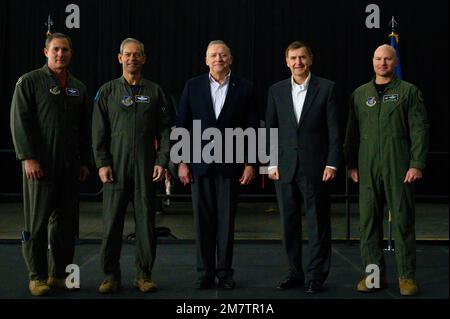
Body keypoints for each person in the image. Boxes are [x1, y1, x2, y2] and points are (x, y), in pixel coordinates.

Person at [344, 44, 429, 296]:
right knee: (369, 224)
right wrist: (350, 163)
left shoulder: (408, 92)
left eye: (388, 59)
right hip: (367, 166)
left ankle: (406, 277)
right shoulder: (360, 94)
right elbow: (352, 132)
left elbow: (419, 129)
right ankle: (373, 277)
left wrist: (416, 163)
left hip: (399, 165)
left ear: (395, 62)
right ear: (372, 61)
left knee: (402, 221)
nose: (383, 63)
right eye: (378, 59)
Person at [10, 32, 91, 296]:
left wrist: (83, 161)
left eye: (65, 50)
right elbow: (19, 121)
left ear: (71, 53)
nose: (60, 54)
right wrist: (28, 157)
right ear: (46, 52)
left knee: (66, 224)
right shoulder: (29, 82)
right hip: (40, 166)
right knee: (37, 223)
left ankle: (59, 274)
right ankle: (37, 276)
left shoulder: (78, 87)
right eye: (55, 49)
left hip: (69, 166)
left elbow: (83, 130)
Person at [177, 40, 258, 289]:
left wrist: (251, 164)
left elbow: (253, 127)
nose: (218, 59)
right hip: (199, 165)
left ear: (230, 59)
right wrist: (181, 162)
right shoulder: (193, 86)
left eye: (223, 55)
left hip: (231, 165)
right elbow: (182, 125)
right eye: (213, 55)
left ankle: (224, 273)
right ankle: (204, 272)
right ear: (206, 60)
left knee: (226, 222)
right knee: (202, 223)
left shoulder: (245, 87)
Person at [92, 38, 171, 293]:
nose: (132, 59)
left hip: (146, 167)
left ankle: (143, 275)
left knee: (146, 223)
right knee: (112, 223)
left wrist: (162, 161)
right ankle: (110, 276)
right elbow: (98, 131)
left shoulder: (155, 91)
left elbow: (166, 130)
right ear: (120, 58)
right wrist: (102, 163)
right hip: (115, 167)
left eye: (137, 55)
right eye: (128, 55)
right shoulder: (107, 92)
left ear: (144, 59)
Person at [265, 41, 341, 294]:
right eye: (293, 58)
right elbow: (270, 130)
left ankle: (315, 276)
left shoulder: (327, 88)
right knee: (289, 224)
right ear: (286, 61)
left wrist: (332, 162)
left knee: (318, 224)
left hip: (317, 168)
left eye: (302, 57)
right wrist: (271, 163)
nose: (298, 62)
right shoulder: (276, 90)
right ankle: (295, 273)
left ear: (310, 59)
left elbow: (334, 131)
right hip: (284, 168)